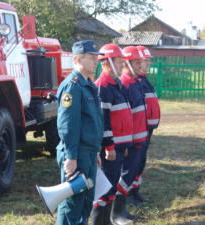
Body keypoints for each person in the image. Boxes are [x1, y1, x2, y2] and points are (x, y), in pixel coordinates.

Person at [56, 40, 103, 225]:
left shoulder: (87, 84)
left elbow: (93, 122)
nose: (95, 61)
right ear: (77, 59)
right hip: (77, 153)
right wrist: (71, 156)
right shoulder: (73, 86)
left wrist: (96, 151)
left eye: (96, 57)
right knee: (72, 204)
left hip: (88, 153)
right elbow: (68, 124)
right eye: (91, 57)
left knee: (85, 202)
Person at [91, 44, 134, 225]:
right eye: (118, 62)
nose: (122, 66)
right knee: (105, 188)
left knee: (112, 184)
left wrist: (124, 146)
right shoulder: (103, 87)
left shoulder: (116, 85)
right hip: (109, 149)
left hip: (118, 147)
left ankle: (106, 221)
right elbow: (103, 122)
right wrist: (109, 147)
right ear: (107, 63)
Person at [115, 46, 148, 222]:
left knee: (131, 173)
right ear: (126, 64)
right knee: (124, 175)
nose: (141, 66)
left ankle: (121, 209)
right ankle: (117, 212)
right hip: (131, 141)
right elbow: (123, 118)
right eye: (137, 63)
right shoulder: (125, 84)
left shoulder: (135, 82)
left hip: (139, 139)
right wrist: (127, 142)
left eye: (140, 63)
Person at [127, 46, 161, 204]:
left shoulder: (143, 79)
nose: (146, 64)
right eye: (143, 61)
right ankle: (128, 193)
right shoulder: (134, 81)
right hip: (140, 129)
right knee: (133, 162)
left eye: (146, 61)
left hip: (146, 129)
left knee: (141, 161)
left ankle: (135, 190)